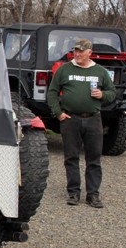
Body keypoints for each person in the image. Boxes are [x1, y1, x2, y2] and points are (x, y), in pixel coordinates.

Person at [46, 38, 115, 208]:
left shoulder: (100, 71)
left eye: (81, 51)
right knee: (71, 157)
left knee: (94, 158)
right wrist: (59, 113)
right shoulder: (65, 70)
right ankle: (74, 192)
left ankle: (93, 195)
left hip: (93, 119)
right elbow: (52, 93)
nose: (77, 54)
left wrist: (103, 95)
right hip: (71, 119)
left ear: (89, 53)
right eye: (75, 51)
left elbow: (112, 92)